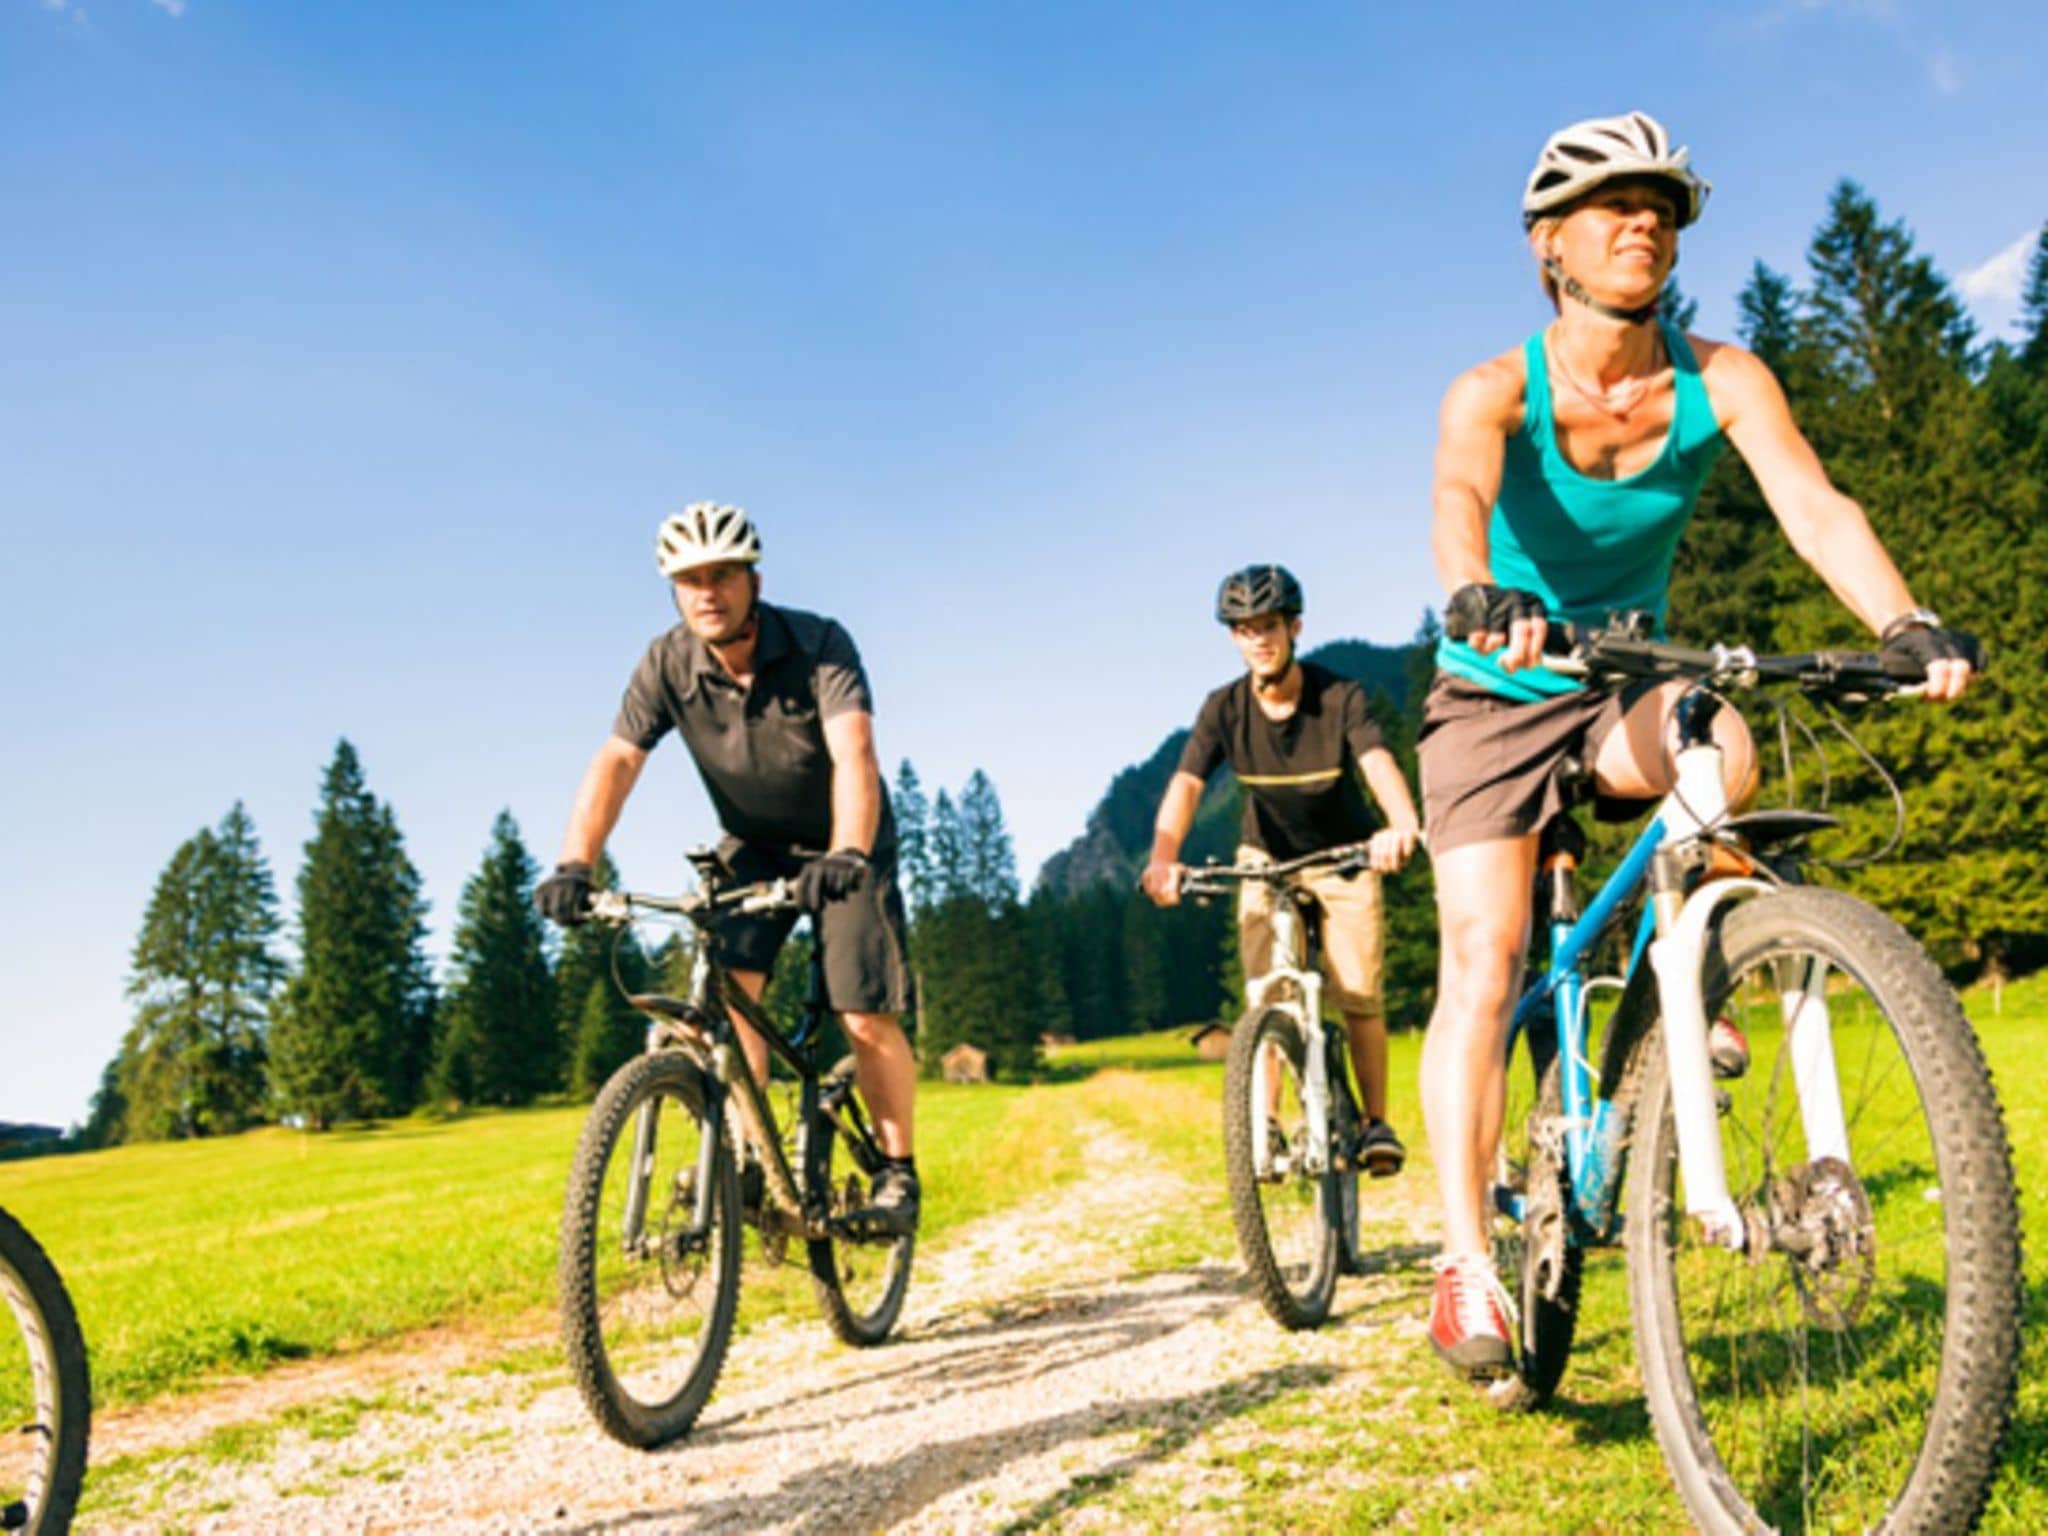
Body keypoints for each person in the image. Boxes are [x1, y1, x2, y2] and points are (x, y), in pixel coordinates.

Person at [1418, 111, 1981, 1379]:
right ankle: (1462, 1264)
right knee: (1482, 954)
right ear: (1547, 246)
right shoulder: (1493, 388)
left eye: (1661, 203)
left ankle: (1692, 973)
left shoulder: (1717, 378)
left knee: (1714, 736)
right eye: (1611, 202)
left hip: (1624, 676)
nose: (1643, 220)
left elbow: (1810, 503)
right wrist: (1476, 597)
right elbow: (1458, 499)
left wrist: (1898, 620)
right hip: (1493, 687)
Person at [534, 502, 922, 1234]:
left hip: (846, 840)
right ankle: (746, 1158)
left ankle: (898, 1175)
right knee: (722, 993)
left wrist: (848, 852)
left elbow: (854, 754)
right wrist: (573, 863)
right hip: (753, 842)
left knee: (861, 1013)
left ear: (753, 580)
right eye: (689, 581)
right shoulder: (666, 663)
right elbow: (618, 759)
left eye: (721, 576)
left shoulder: (818, 644)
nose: (706, 592)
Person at [1141, 565, 1422, 1174]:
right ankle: (1265, 1126)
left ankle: (1376, 1123)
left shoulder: (1340, 698)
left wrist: (1400, 825)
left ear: (1294, 627)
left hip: (1344, 856)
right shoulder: (1224, 709)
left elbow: (1377, 763)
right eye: (1244, 630)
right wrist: (1163, 859)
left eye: (1269, 626)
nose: (1258, 640)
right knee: (1269, 991)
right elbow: (1187, 784)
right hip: (1265, 861)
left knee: (1358, 993)